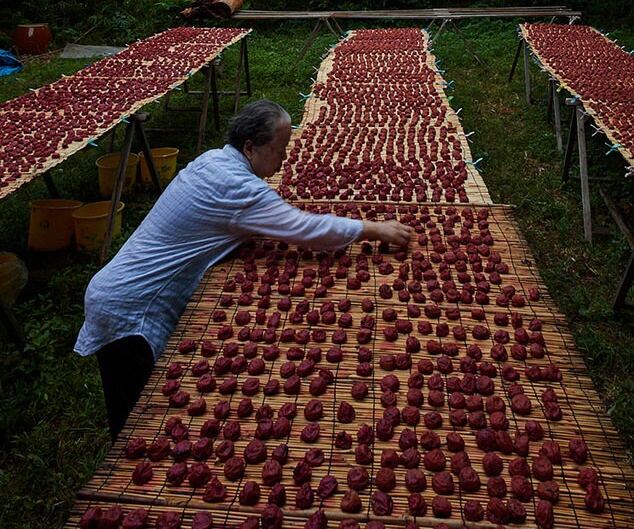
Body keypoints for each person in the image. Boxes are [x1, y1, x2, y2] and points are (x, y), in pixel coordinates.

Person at [75, 99, 413, 439]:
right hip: (130, 307)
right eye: (280, 150)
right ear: (250, 147)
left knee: (143, 400)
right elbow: (305, 229)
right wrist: (373, 229)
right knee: (139, 415)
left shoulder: (213, 161)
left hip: (118, 288)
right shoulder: (238, 188)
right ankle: (131, 463)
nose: (284, 159)